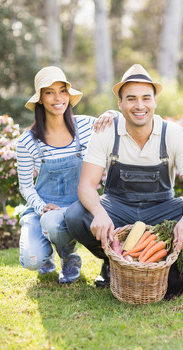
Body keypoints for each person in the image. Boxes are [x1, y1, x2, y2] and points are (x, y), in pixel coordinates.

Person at [65, 64, 183, 298]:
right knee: (75, 216)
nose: (139, 105)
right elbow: (86, 184)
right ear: (120, 103)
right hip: (117, 207)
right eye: (131, 99)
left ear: (155, 101)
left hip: (162, 210)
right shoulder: (106, 132)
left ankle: (166, 261)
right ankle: (113, 261)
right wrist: (98, 211)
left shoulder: (175, 134)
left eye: (146, 98)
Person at [17, 66, 115, 284]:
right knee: (32, 259)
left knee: (54, 223)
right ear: (40, 99)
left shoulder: (86, 125)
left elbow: (118, 124)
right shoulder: (26, 142)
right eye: (49, 92)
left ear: (69, 95)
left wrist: (112, 114)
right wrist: (41, 206)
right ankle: (46, 252)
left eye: (62, 91)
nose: (58, 98)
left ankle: (69, 257)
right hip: (44, 208)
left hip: (78, 207)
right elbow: (25, 186)